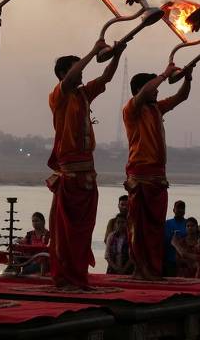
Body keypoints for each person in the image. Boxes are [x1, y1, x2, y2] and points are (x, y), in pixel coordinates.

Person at [47, 38, 125, 289]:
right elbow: (72, 78)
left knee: (83, 231)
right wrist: (93, 49)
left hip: (87, 171)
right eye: (75, 68)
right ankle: (66, 276)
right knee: (68, 232)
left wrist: (116, 54)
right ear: (63, 73)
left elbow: (105, 79)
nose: (81, 73)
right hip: (70, 172)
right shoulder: (59, 94)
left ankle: (78, 276)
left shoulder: (83, 94)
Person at [123, 65, 192, 280]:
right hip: (140, 174)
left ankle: (152, 268)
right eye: (154, 87)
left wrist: (187, 78)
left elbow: (182, 97)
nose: (158, 90)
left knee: (155, 227)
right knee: (139, 226)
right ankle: (140, 268)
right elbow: (144, 93)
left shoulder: (156, 108)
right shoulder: (132, 109)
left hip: (157, 176)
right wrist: (163, 74)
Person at [164, 200, 187, 276]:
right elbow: (165, 240)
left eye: (182, 208)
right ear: (174, 210)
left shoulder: (188, 223)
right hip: (170, 260)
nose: (180, 210)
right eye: (178, 208)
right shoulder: (167, 223)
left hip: (185, 261)